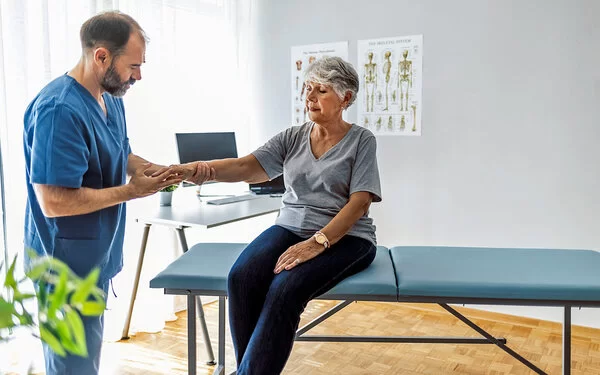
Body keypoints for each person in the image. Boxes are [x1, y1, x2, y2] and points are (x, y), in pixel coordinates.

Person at [22, 11, 201, 375]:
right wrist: (132, 192)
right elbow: (54, 201)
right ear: (101, 56)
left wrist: (151, 171)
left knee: (86, 362)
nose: (138, 75)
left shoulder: (110, 96)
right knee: (73, 368)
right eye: (133, 66)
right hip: (63, 270)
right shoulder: (60, 110)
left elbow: (121, 152)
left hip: (93, 261)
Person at [178, 56, 382, 374]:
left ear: (346, 98)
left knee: (285, 290)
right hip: (290, 226)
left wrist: (317, 242)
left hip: (347, 237)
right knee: (241, 277)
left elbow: (359, 203)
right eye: (308, 89)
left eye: (322, 90)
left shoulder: (361, 140)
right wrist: (199, 171)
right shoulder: (292, 137)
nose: (310, 97)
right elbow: (247, 166)